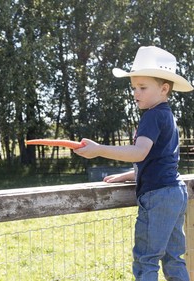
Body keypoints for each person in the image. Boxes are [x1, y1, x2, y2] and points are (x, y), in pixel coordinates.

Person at [74, 46, 194, 280]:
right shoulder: (167, 115)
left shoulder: (151, 115)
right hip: (175, 192)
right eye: (133, 88)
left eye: (142, 87)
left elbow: (140, 152)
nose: (135, 93)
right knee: (173, 258)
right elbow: (158, 160)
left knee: (146, 260)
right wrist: (130, 175)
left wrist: (98, 150)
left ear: (164, 88)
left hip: (158, 196)